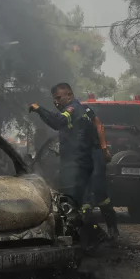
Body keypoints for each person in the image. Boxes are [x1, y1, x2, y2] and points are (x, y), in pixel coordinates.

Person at [29, 83, 104, 248]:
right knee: (77, 204)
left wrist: (38, 108)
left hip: (78, 163)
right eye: (54, 99)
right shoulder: (78, 110)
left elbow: (57, 122)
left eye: (58, 98)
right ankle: (92, 238)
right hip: (80, 162)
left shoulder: (72, 109)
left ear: (69, 95)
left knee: (71, 203)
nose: (56, 102)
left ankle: (90, 240)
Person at [83, 103, 120, 240]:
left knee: (100, 191)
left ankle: (112, 228)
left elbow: (98, 125)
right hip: (79, 157)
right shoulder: (63, 116)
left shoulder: (83, 109)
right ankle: (90, 233)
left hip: (94, 153)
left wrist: (104, 149)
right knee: (83, 198)